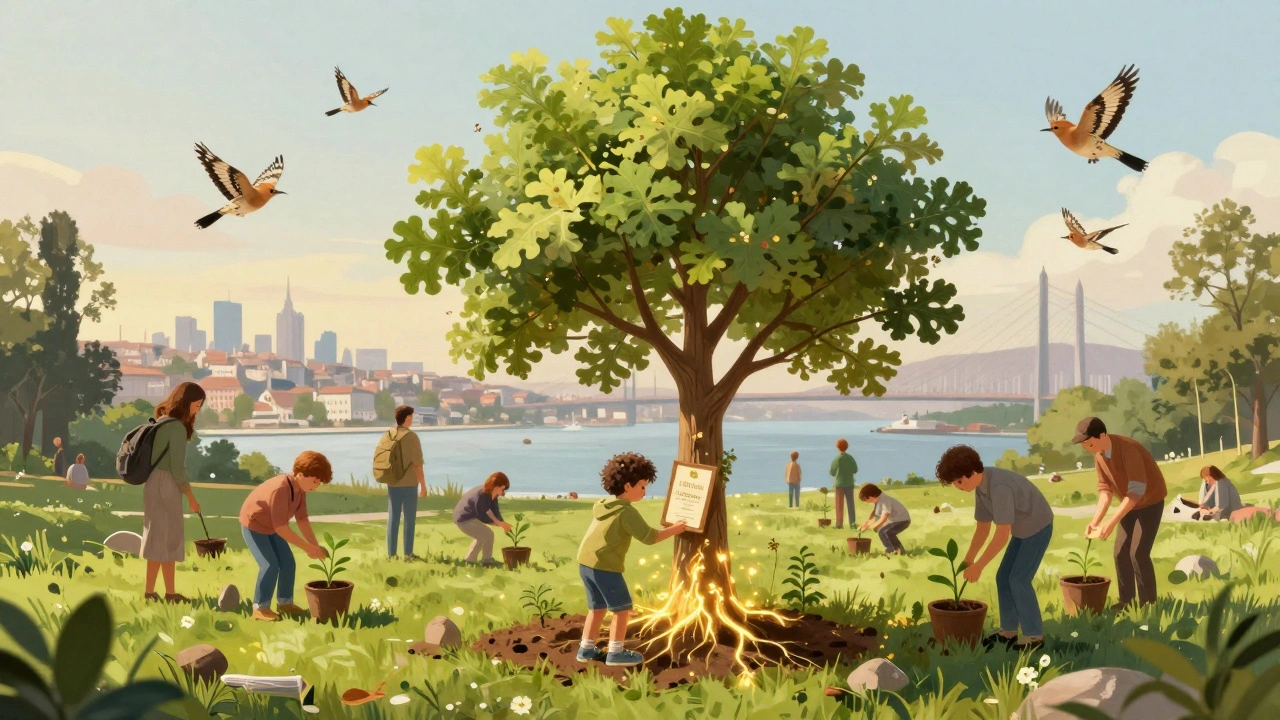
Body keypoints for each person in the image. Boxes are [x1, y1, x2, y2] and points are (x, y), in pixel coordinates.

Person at [937, 444, 1053, 651]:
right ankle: (1008, 631)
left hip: (1037, 526)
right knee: (1003, 577)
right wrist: (969, 558)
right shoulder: (981, 487)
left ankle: (1034, 636)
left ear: (972, 473)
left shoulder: (999, 488)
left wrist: (980, 565)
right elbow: (983, 527)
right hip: (1021, 529)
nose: (957, 486)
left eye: (959, 481)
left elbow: (1001, 535)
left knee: (1018, 579)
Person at [576, 452, 687, 667]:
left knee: (597, 608)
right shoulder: (626, 512)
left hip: (586, 563)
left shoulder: (605, 505)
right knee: (622, 609)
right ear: (628, 486)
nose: (644, 492)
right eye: (642, 487)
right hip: (605, 566)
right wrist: (677, 528)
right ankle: (615, 652)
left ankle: (586, 648)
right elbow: (649, 537)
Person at [1074, 417, 1167, 611]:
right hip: (1129, 503)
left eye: (1090, 443)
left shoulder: (1128, 449)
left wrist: (1111, 522)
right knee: (1120, 552)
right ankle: (1127, 602)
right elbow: (1105, 490)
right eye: (1084, 446)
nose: (1088, 449)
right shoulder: (1099, 455)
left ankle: (1148, 605)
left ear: (1103, 435)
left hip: (1149, 501)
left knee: (1138, 553)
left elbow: (1136, 492)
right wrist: (1096, 521)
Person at [239, 451, 332, 621]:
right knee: (269, 565)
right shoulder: (280, 489)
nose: (317, 485)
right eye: (314, 480)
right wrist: (307, 548)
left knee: (288, 563)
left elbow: (302, 519)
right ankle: (260, 607)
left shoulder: (301, 489)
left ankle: (285, 603)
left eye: (319, 482)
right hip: (254, 526)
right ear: (300, 474)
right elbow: (281, 528)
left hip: (272, 527)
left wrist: (314, 545)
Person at [141, 382, 205, 604]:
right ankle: (153, 593)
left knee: (162, 538)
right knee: (165, 539)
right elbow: (177, 468)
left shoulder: (162, 421)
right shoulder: (176, 427)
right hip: (166, 484)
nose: (198, 409)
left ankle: (166, 592)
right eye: (197, 405)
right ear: (187, 403)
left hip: (153, 482)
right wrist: (191, 498)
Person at [380, 405, 426, 560]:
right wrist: (423, 486)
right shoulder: (411, 436)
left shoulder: (388, 434)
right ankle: (408, 554)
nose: (412, 420)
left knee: (393, 518)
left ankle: (391, 554)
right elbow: (417, 464)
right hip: (409, 483)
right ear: (407, 418)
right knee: (409, 519)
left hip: (392, 482)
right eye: (411, 417)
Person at [453, 472, 512, 567]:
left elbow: (495, 510)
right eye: (503, 489)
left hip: (470, 517)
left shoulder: (492, 494)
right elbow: (482, 515)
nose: (503, 492)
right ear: (496, 487)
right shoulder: (481, 495)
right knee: (482, 536)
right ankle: (469, 560)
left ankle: (487, 560)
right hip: (463, 518)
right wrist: (496, 523)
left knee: (489, 534)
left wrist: (502, 522)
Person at [857, 484, 911, 554]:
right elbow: (875, 514)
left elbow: (884, 517)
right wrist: (866, 524)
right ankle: (895, 549)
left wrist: (871, 527)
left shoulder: (885, 500)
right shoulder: (878, 501)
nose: (867, 502)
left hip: (903, 521)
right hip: (896, 521)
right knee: (885, 532)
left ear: (872, 495)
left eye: (866, 499)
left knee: (886, 532)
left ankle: (895, 549)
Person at [828, 439, 858, 528]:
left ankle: (839, 524)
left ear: (838, 447)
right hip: (849, 483)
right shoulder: (850, 458)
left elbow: (832, 472)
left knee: (839, 505)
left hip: (839, 484)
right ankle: (852, 524)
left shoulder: (837, 459)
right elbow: (855, 470)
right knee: (851, 505)